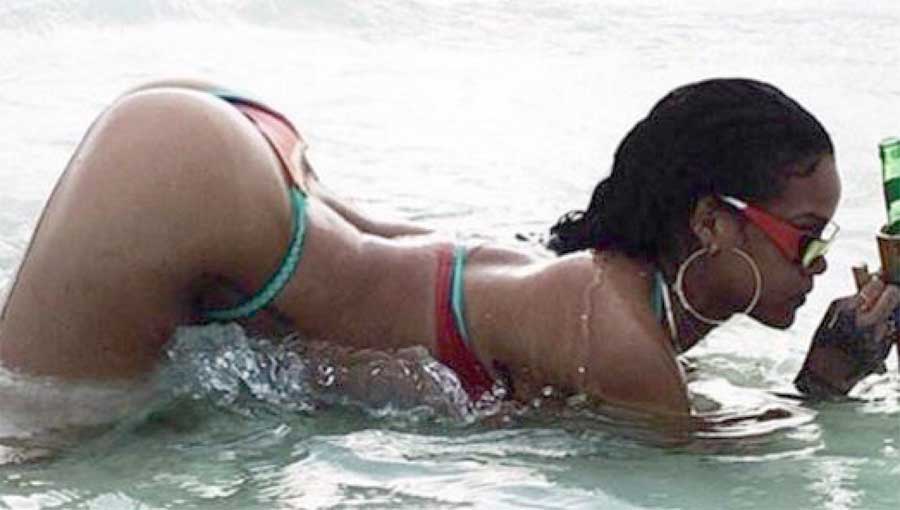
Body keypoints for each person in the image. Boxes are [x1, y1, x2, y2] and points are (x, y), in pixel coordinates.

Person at [0, 77, 895, 427]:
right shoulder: (619, 333)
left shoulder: (611, 295)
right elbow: (722, 477)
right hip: (187, 181)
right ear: (712, 223)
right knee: (26, 443)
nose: (818, 265)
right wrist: (828, 381)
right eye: (805, 237)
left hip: (241, 173)